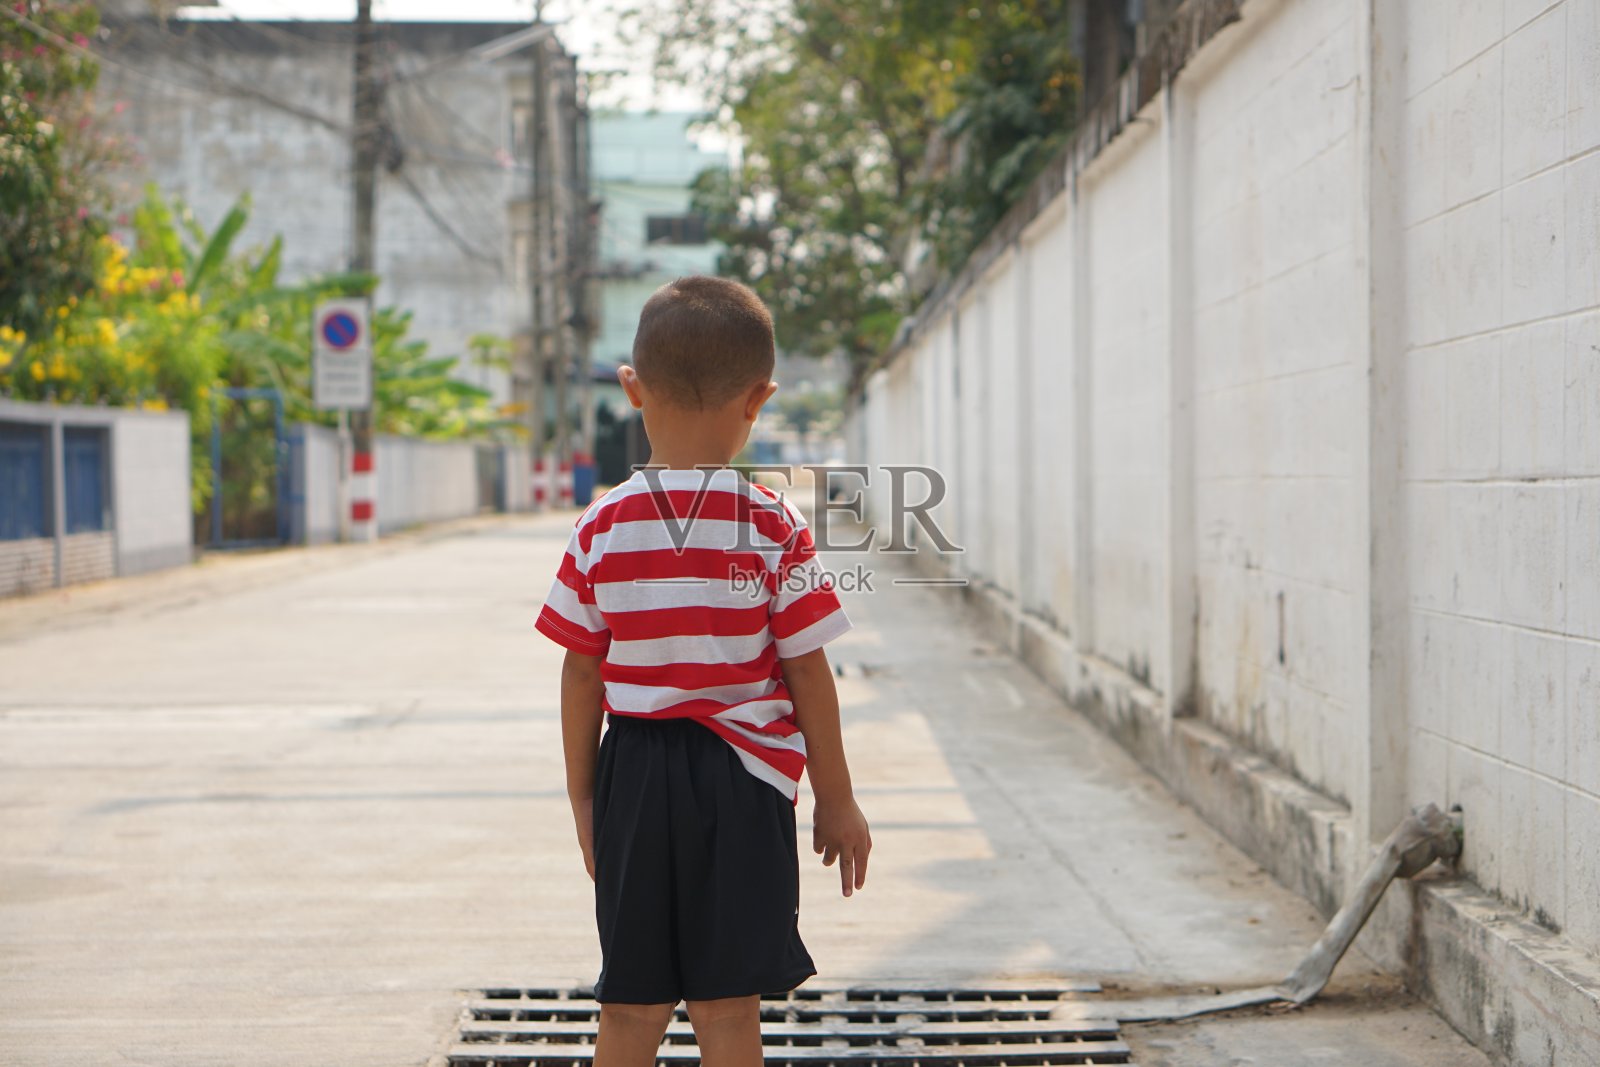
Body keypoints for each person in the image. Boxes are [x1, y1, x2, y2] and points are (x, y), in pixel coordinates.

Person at [535, 275, 872, 1067]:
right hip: (746, 782)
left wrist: (587, 797)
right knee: (728, 1010)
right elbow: (807, 671)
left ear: (631, 389)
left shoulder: (600, 525)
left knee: (629, 1007)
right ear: (759, 399)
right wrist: (838, 796)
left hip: (636, 772)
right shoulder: (771, 523)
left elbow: (582, 675)